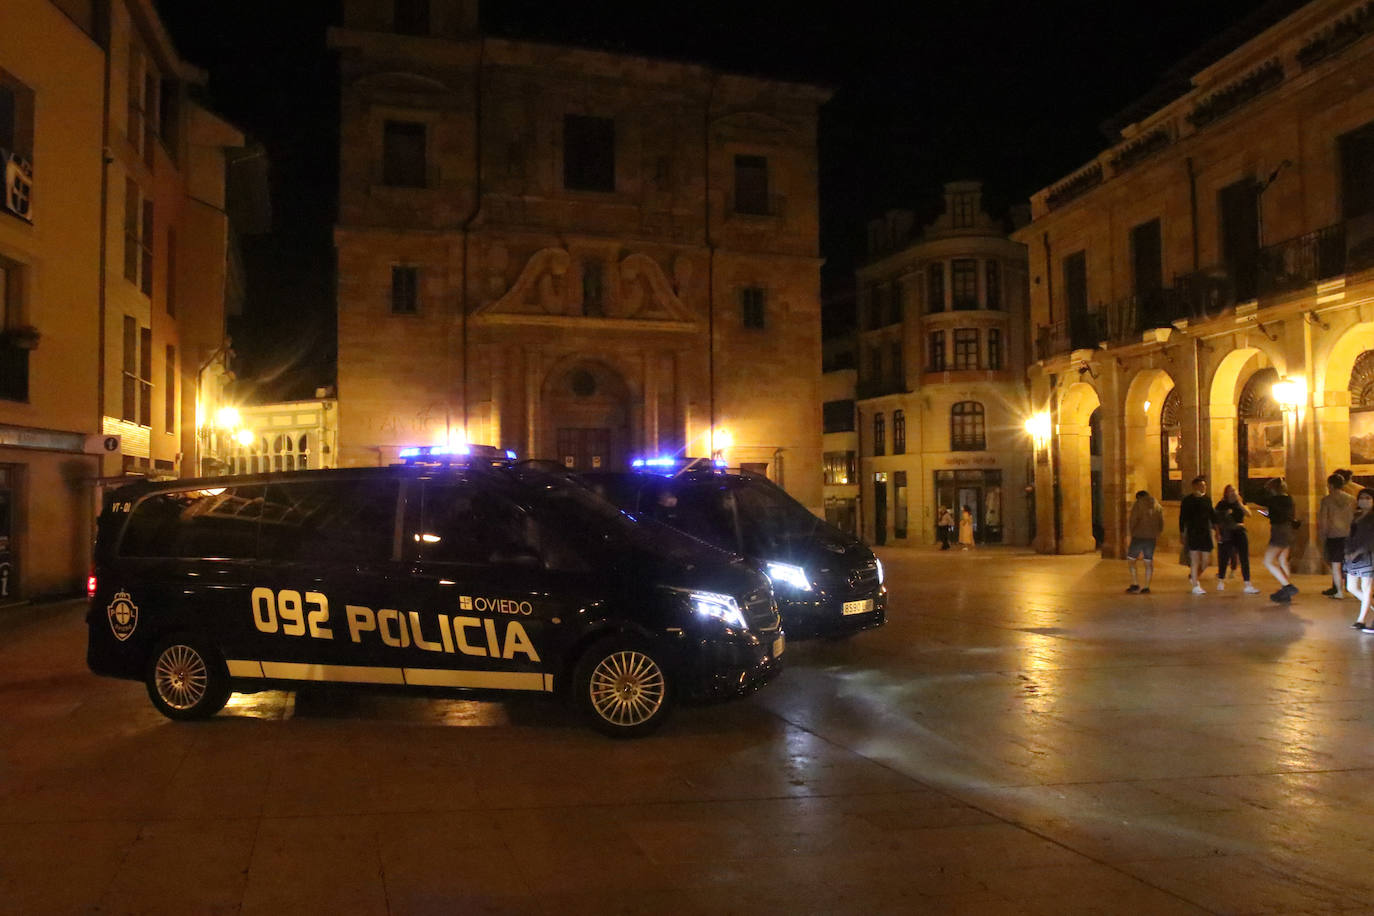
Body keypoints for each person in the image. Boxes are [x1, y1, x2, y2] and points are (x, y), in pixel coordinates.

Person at [1255, 477, 1299, 603]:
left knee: (1268, 561)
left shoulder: (1274, 499)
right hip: (1288, 530)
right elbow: (1282, 513)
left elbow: (1257, 498)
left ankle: (1288, 586)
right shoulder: (1288, 498)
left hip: (1279, 531)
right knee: (1282, 560)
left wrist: (1264, 488)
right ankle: (1285, 592)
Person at [1213, 484, 1261, 594]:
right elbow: (1216, 520)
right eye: (1231, 491)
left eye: (1234, 490)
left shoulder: (1240, 502)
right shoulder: (1222, 504)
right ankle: (1221, 580)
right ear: (1226, 493)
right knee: (1224, 557)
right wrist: (1218, 533)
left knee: (1244, 557)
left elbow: (1249, 514)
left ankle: (1247, 583)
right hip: (1227, 532)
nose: (1233, 493)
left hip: (1240, 531)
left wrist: (1239, 503)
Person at [1317, 472, 1356, 599]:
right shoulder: (1351, 499)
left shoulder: (1327, 500)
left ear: (1331, 485)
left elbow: (1323, 520)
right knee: (1351, 564)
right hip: (1350, 535)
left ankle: (1339, 591)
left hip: (1334, 536)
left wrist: (1322, 536)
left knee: (1335, 564)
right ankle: (1354, 588)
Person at [1344, 488, 1374, 630]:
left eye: (1368, 498)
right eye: (1361, 498)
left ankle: (1361, 620)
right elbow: (1351, 535)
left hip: (1368, 555)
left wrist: (1358, 551)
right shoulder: (1357, 516)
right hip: (1352, 557)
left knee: (1366, 588)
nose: (1364, 500)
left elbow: (1371, 540)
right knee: (1351, 587)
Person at [1179, 475, 1214, 596]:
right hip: (1193, 532)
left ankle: (1194, 577)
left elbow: (1212, 516)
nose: (1203, 488)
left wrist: (1217, 530)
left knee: (1205, 561)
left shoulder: (1207, 500)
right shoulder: (1187, 500)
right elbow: (1182, 518)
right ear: (1195, 487)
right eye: (1201, 485)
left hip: (1205, 533)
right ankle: (1195, 585)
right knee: (1195, 560)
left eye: (1204, 486)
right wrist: (1182, 533)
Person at [1125, 490, 1163, 594]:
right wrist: (1157, 533)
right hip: (1151, 537)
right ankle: (1146, 586)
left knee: (1131, 559)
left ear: (1138, 497)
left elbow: (1133, 520)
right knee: (1148, 561)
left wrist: (1131, 532)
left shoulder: (1138, 504)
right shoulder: (1157, 506)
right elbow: (1161, 522)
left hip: (1138, 536)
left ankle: (1135, 583)